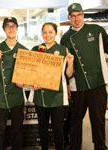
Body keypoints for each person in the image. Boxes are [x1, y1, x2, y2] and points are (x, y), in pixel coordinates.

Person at [60, 3, 108, 150]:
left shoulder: (96, 30)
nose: (76, 19)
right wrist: (67, 84)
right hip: (77, 85)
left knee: (98, 121)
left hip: (97, 84)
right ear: (69, 18)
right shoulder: (66, 38)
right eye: (73, 16)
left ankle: (100, 147)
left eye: (79, 15)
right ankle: (75, 147)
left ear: (83, 15)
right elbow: (65, 64)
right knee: (75, 122)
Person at [0, 17, 27, 150]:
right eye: (7, 26)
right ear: (4, 29)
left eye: (13, 26)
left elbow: (28, 75)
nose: (10, 29)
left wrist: (24, 83)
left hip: (17, 95)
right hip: (0, 96)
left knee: (17, 129)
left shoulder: (24, 50)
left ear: (17, 28)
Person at [31, 22, 74, 150]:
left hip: (57, 96)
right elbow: (31, 72)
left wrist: (70, 63)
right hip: (40, 95)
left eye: (50, 32)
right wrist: (32, 82)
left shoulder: (63, 50)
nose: (47, 35)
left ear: (55, 33)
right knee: (42, 128)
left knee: (57, 129)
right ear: (41, 34)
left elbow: (68, 75)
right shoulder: (36, 49)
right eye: (44, 32)